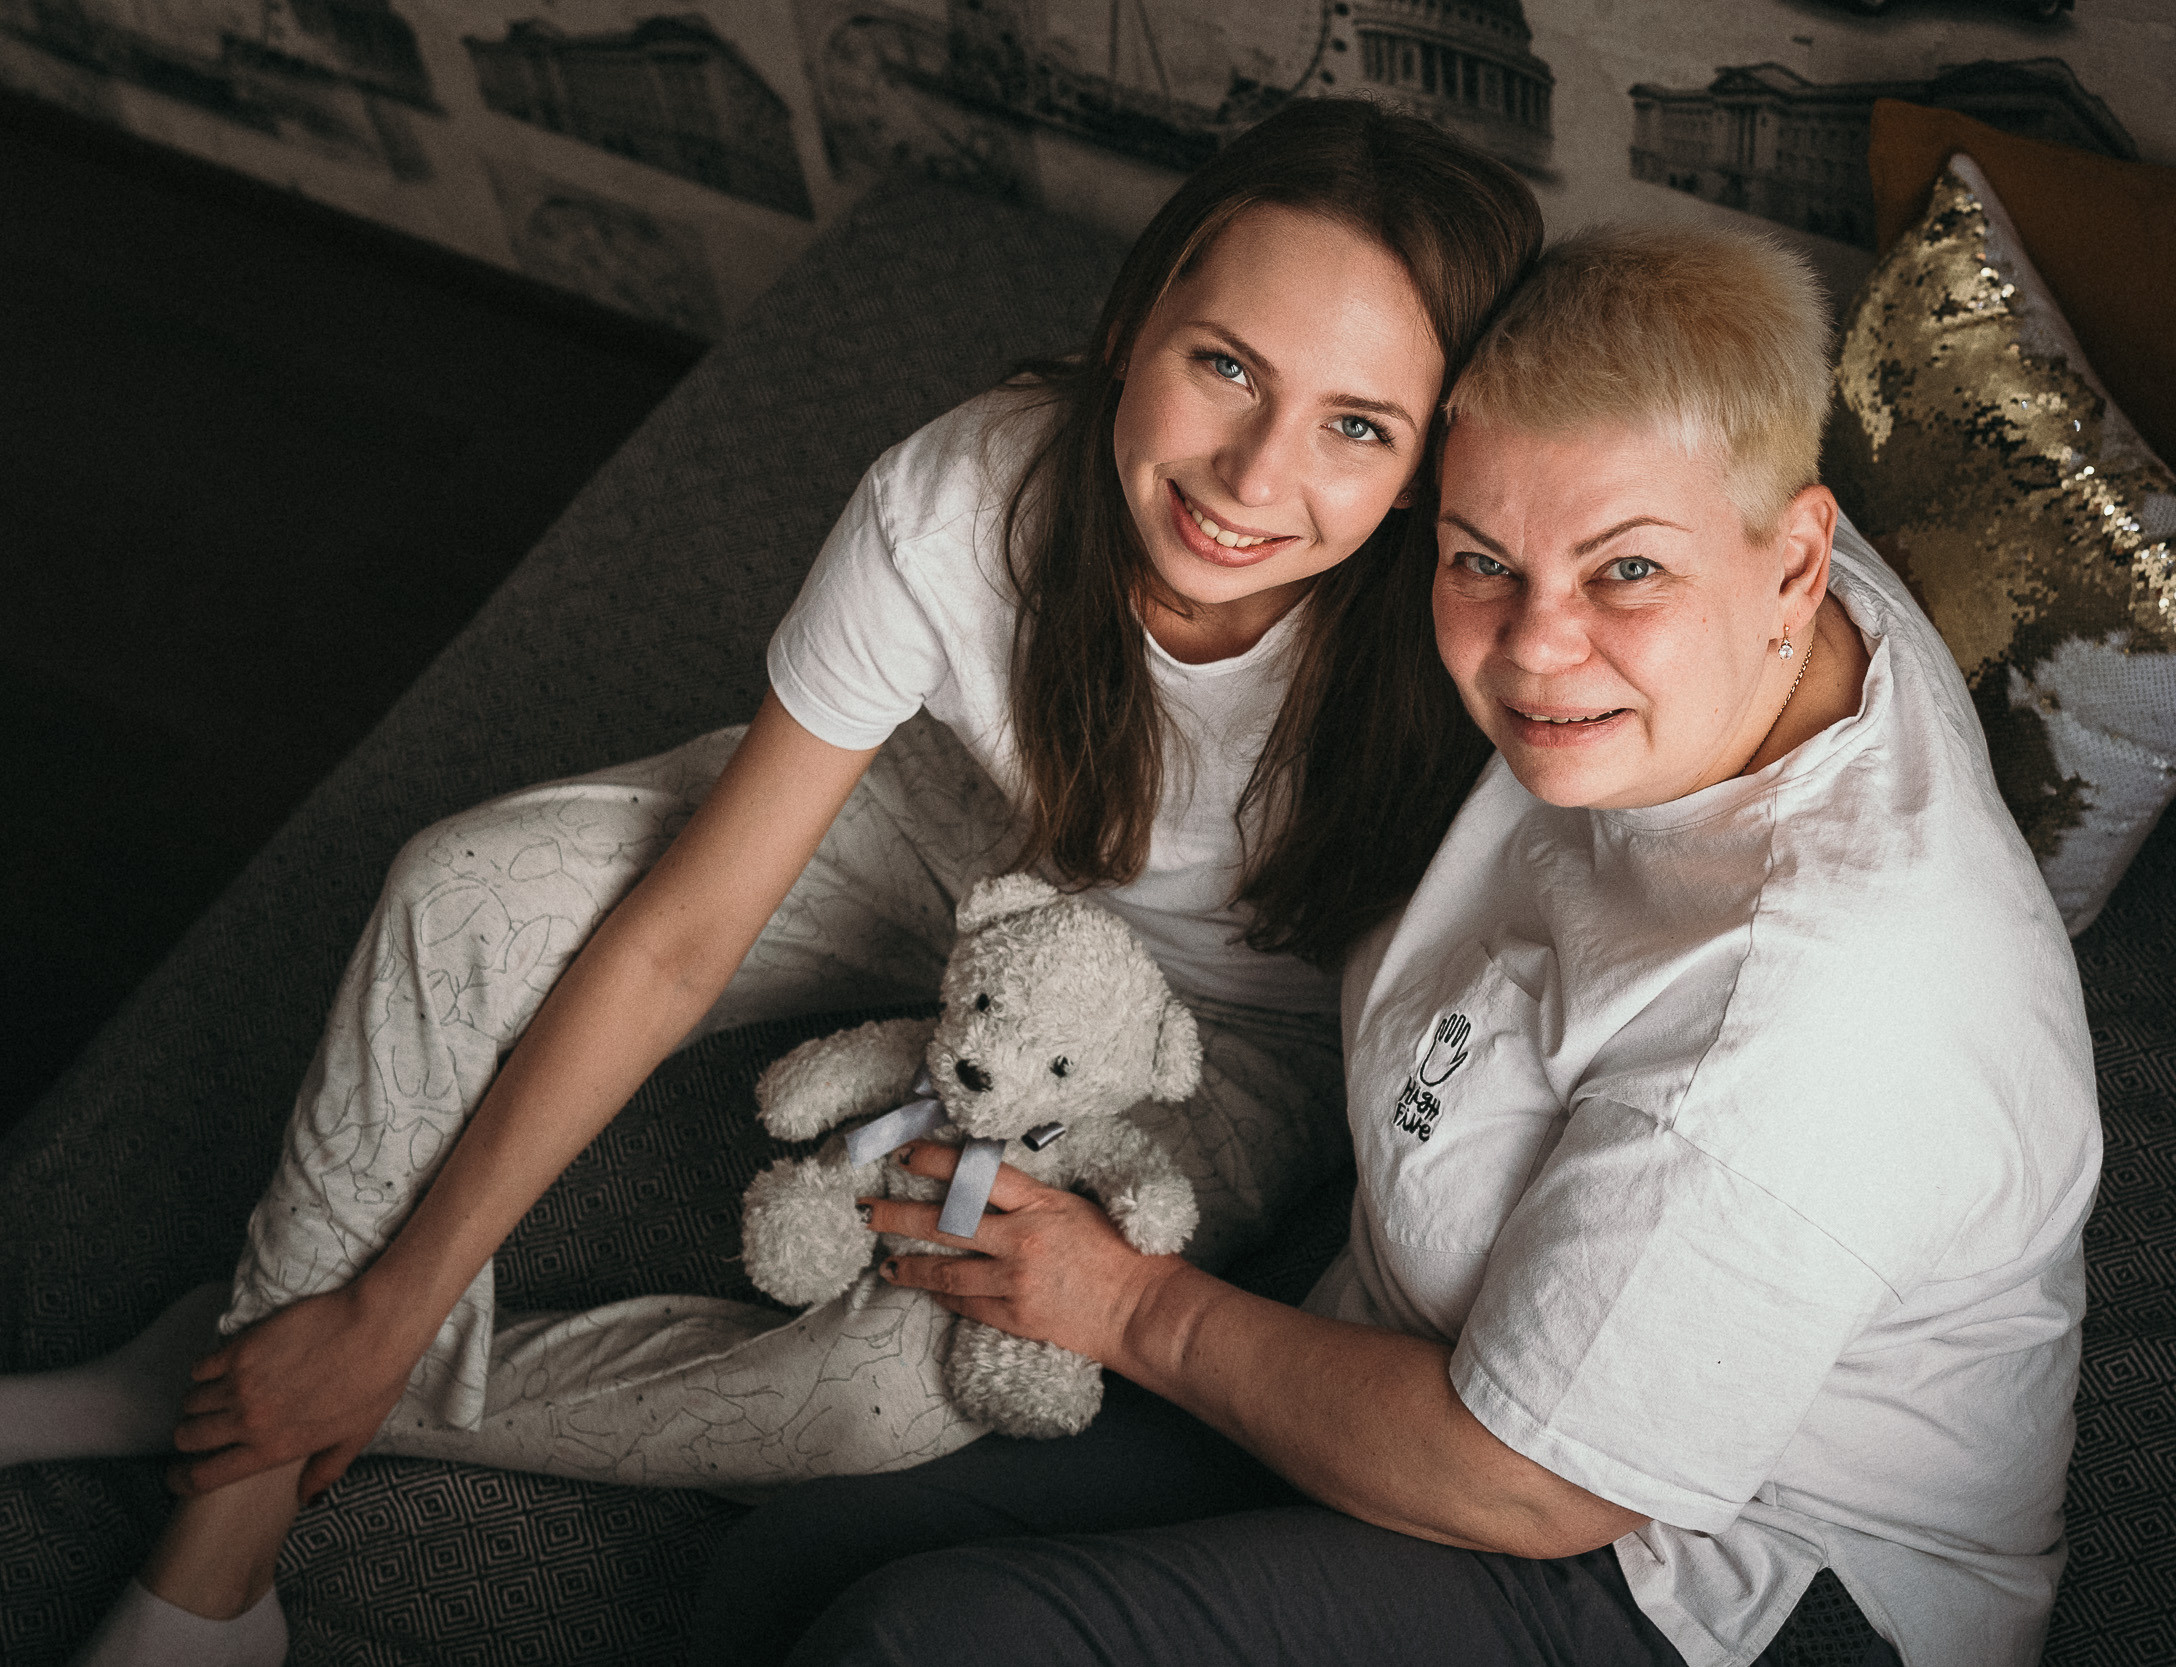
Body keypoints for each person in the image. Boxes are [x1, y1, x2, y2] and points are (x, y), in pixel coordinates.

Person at [2, 99, 1543, 1667]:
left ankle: (246, 1364)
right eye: (1225, 365)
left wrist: (364, 1341)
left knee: (886, 1395)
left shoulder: (1479, 633)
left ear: (1433, 467)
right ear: (1131, 321)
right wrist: (397, 1286)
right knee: (462, 890)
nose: (1254, 473)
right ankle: (222, 1555)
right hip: (955, 832)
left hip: (1223, 1028)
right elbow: (683, 935)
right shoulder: (962, 494)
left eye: (1360, 426)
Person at [698, 223, 2102, 1666]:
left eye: (1624, 575)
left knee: (923, 1646)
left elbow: (1531, 1483)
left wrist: (1128, 1305)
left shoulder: (1808, 1023)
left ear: (1800, 560)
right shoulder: (1705, 517)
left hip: (1700, 1572)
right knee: (796, 1559)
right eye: (1482, 560)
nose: (1539, 647)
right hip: (1432, 1326)